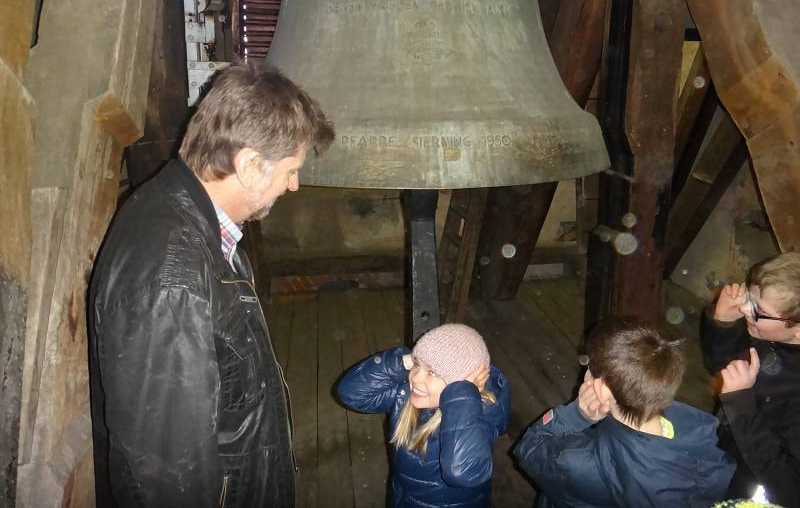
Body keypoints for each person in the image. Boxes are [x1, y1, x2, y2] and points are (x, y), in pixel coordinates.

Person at [88, 63, 334, 508]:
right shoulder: (169, 280)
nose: (294, 185)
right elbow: (167, 477)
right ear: (250, 165)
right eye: (290, 170)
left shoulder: (195, 221)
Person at [515, 317, 735, 507]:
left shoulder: (574, 463)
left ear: (601, 389)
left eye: (588, 366)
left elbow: (529, 449)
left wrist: (577, 415)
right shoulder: (701, 432)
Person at [337, 323, 510, 507]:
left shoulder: (479, 413)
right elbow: (350, 393)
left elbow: (463, 472)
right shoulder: (406, 395)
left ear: (461, 384)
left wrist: (461, 395)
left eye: (432, 372)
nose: (415, 378)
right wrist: (404, 361)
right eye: (416, 365)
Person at [701, 252, 800, 507]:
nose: (745, 309)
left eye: (759, 310)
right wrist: (723, 324)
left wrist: (740, 404)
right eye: (749, 298)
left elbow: (790, 488)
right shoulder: (767, 333)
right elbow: (721, 367)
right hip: (726, 447)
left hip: (751, 488)